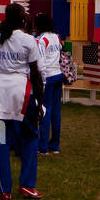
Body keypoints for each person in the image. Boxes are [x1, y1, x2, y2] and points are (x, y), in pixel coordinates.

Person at [0, 2, 43, 200]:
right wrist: (39, 101)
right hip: (22, 94)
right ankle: (27, 184)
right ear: (23, 19)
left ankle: (4, 189)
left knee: (1, 140)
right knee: (30, 136)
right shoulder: (29, 40)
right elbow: (35, 74)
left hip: (0, 94)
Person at [34, 13, 65, 154]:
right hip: (58, 75)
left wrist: (42, 81)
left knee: (45, 111)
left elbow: (40, 63)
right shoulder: (56, 37)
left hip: (47, 77)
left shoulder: (41, 39)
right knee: (56, 112)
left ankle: (43, 147)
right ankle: (55, 145)